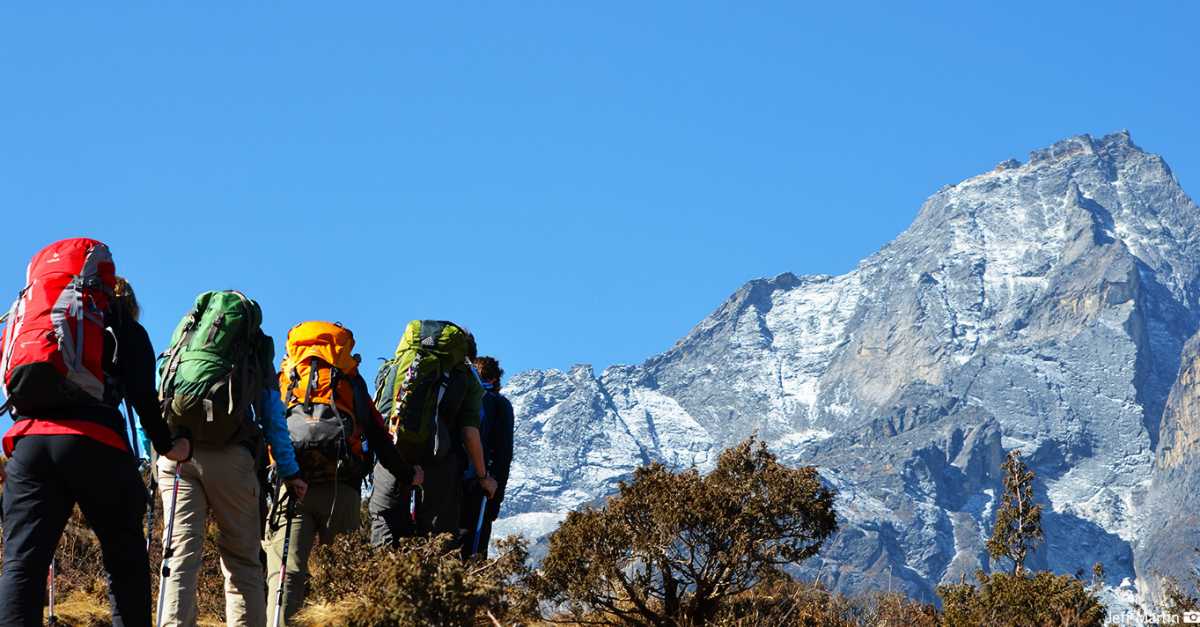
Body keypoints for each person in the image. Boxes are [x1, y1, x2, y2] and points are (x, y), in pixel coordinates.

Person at [0, 250, 191, 627]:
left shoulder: (31, 318)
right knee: (125, 561)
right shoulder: (122, 322)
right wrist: (170, 446)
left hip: (29, 443)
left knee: (22, 562)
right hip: (96, 442)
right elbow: (143, 398)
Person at [155, 291, 307, 627]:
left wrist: (156, 450)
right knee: (242, 563)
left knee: (178, 556)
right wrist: (289, 470)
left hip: (177, 457)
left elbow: (158, 392)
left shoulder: (186, 334)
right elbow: (272, 418)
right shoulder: (255, 348)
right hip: (230, 458)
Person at [263, 321, 423, 625]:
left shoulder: (287, 376)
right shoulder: (350, 380)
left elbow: (267, 426)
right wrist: (406, 474)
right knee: (341, 571)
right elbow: (378, 434)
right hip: (342, 487)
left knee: (287, 569)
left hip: (292, 484)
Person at [369, 323, 497, 548]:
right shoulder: (465, 377)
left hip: (392, 455)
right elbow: (469, 432)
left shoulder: (396, 366)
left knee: (385, 525)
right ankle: (431, 582)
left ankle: (382, 578)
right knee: (438, 537)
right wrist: (483, 476)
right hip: (439, 462)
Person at [459, 356, 515, 558]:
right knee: (472, 549)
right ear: (494, 379)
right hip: (480, 485)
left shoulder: (459, 395)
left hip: (449, 479)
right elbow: (503, 455)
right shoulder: (498, 404)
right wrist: (495, 500)